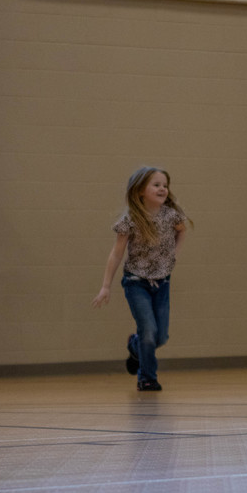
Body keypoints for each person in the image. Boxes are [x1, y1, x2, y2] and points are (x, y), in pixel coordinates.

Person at [92, 167, 191, 392]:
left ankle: (134, 346)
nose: (162, 188)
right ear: (139, 191)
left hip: (162, 282)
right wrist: (105, 286)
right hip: (136, 283)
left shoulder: (171, 215)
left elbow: (182, 230)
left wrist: (175, 253)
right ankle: (147, 378)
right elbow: (117, 253)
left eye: (165, 185)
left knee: (160, 337)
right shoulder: (130, 220)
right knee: (148, 331)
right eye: (156, 185)